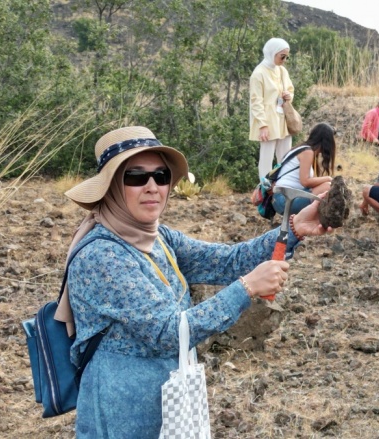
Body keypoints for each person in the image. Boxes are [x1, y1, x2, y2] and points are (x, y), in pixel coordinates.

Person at [59, 126, 332, 438]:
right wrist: (245, 289)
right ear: (110, 188)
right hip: (121, 414)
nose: (152, 187)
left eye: (160, 176)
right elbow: (167, 332)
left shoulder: (158, 237)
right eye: (135, 177)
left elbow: (228, 261)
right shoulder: (102, 256)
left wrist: (294, 227)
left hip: (170, 400)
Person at [249, 37, 295, 179]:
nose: (284, 60)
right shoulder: (259, 73)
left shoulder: (282, 71)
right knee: (266, 159)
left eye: (286, 57)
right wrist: (262, 125)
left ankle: (284, 186)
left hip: (283, 118)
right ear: (272, 53)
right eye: (282, 56)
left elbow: (290, 89)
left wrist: (288, 95)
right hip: (268, 120)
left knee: (285, 156)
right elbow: (256, 101)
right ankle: (264, 191)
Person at [272, 122, 336, 216]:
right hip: (284, 200)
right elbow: (305, 181)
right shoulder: (307, 152)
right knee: (328, 186)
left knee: (325, 186)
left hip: (280, 198)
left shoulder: (301, 149)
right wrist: (328, 178)